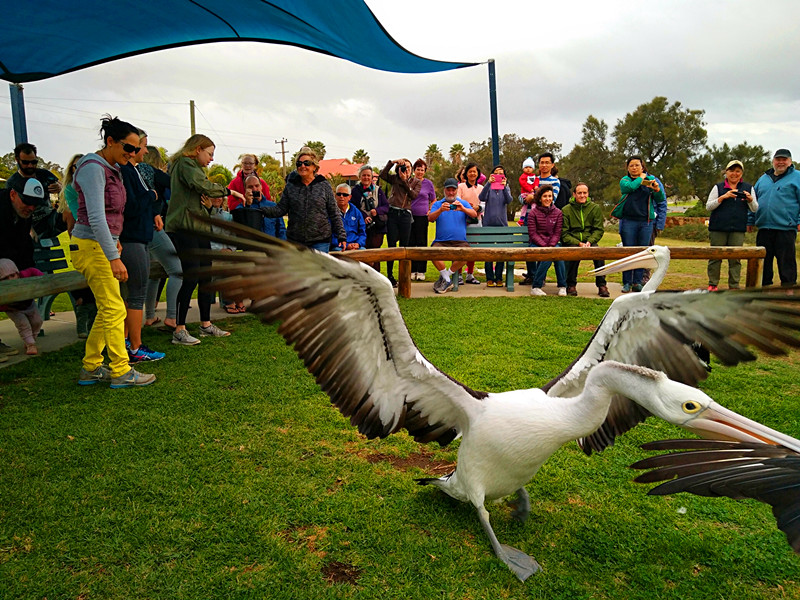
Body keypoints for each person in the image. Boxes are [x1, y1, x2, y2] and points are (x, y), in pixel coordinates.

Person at [71, 115, 155, 387]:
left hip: (102, 244)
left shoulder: (113, 167)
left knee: (109, 308)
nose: (132, 154)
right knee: (114, 307)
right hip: (90, 246)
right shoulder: (93, 167)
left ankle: (91, 366)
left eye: (135, 148)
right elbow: (95, 217)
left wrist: (115, 240)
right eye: (127, 148)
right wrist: (114, 257)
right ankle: (120, 370)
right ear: (110, 142)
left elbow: (112, 215)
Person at [165, 133, 246, 346]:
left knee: (205, 278)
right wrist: (230, 192)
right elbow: (203, 186)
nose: (211, 159)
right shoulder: (184, 164)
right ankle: (179, 330)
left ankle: (205, 324)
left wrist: (208, 207)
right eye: (209, 154)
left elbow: (199, 194)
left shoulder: (193, 167)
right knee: (191, 277)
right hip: (185, 228)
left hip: (197, 227)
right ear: (197, 149)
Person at [119, 131, 165, 363]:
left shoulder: (133, 170)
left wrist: (154, 210)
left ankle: (127, 341)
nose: (145, 151)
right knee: (136, 294)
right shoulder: (126, 170)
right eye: (142, 146)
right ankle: (135, 348)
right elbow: (132, 205)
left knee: (132, 295)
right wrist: (151, 195)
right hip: (132, 237)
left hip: (140, 235)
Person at [261, 146, 345, 253]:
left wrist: (341, 235)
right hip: (295, 241)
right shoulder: (291, 186)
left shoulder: (324, 185)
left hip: (320, 242)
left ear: (314, 166)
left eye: (307, 163)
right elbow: (281, 209)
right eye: (299, 164)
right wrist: (261, 209)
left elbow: (334, 213)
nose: (303, 166)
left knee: (316, 270)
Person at [139, 146, 181, 330]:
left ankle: (149, 316)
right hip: (153, 226)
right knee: (177, 270)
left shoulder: (133, 173)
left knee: (153, 273)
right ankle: (172, 316)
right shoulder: (153, 173)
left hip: (138, 228)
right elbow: (175, 184)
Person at [611, 155, 665, 293]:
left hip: (645, 221)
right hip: (629, 221)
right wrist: (641, 178)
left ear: (642, 167)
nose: (634, 168)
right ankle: (627, 282)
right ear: (628, 169)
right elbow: (630, 188)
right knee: (628, 252)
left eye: (637, 165)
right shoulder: (625, 180)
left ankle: (637, 282)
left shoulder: (650, 181)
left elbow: (660, 199)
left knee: (642, 252)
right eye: (631, 166)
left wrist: (656, 189)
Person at [751, 149, 800, 288]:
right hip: (764, 227)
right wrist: (750, 220)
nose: (781, 162)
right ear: (773, 161)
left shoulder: (797, 177)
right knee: (763, 260)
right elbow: (753, 201)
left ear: (790, 162)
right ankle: (765, 286)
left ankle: (789, 288)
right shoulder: (763, 179)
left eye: (784, 159)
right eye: (778, 159)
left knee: (786, 261)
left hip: (786, 227)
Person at [706, 160, 758, 291]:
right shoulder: (718, 187)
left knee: (735, 258)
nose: (734, 174)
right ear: (726, 172)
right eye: (731, 170)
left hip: (738, 229)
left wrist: (750, 200)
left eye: (738, 171)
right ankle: (713, 284)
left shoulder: (748, 188)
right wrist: (723, 197)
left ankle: (734, 286)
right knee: (715, 257)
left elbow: (755, 209)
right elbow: (708, 206)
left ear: (741, 173)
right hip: (718, 228)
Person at [5, 142, 66, 241]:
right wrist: (29, 229)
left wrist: (60, 188)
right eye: (25, 162)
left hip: (50, 218)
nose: (30, 166)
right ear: (17, 160)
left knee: (70, 212)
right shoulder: (12, 183)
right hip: (28, 222)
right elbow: (11, 212)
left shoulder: (44, 174)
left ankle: (78, 244)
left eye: (34, 162)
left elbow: (65, 189)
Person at [429, 178, 478, 294]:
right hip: (441, 241)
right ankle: (447, 279)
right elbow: (430, 218)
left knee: (467, 254)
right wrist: (440, 210)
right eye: (448, 190)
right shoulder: (438, 204)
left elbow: (474, 215)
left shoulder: (462, 203)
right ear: (444, 190)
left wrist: (463, 209)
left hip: (460, 241)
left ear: (456, 190)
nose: (451, 193)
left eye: (453, 190)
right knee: (431, 253)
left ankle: (446, 277)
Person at [560, 182, 609, 297]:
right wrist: (578, 243)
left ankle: (601, 284)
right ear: (574, 194)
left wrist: (589, 241)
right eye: (579, 193)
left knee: (599, 254)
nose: (582, 195)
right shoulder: (566, 210)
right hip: (574, 241)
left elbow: (598, 229)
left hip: (589, 241)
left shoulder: (594, 208)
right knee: (574, 253)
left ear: (588, 194)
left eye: (584, 193)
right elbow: (564, 233)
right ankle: (571, 284)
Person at [379, 158, 418, 286]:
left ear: (411, 169)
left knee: (404, 246)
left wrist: (404, 180)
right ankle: (390, 275)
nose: (405, 169)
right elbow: (382, 175)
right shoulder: (394, 178)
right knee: (391, 245)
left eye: (408, 167)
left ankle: (403, 276)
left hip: (406, 215)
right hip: (393, 213)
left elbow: (413, 195)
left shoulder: (416, 182)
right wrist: (392, 162)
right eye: (403, 167)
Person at [528, 184, 566, 296]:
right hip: (536, 244)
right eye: (545, 196)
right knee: (548, 255)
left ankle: (562, 286)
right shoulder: (533, 213)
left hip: (552, 243)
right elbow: (533, 234)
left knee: (558, 255)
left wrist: (551, 245)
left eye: (550, 196)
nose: (548, 199)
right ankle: (536, 286)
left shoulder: (558, 212)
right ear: (540, 198)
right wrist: (545, 245)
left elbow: (557, 232)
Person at [0, 258, 43, 355]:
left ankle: (31, 339)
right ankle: (31, 344)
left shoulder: (23, 275)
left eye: (12, 275)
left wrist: (42, 279)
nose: (10, 279)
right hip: (13, 309)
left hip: (29, 304)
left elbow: (33, 271)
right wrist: (6, 308)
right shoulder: (2, 288)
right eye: (5, 278)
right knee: (23, 325)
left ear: (17, 273)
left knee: (37, 321)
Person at [479, 164, 513, 287]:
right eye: (496, 173)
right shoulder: (488, 188)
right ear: (492, 175)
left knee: (501, 253)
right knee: (488, 253)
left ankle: (499, 278)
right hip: (488, 224)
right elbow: (481, 197)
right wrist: (488, 183)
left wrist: (504, 187)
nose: (499, 175)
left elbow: (509, 200)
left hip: (502, 225)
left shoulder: (506, 188)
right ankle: (489, 278)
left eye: (501, 173)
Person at [350, 165, 389, 271]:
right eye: (364, 175)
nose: (366, 178)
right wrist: (364, 216)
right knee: (363, 253)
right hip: (362, 226)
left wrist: (377, 211)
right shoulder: (355, 191)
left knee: (375, 254)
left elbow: (386, 206)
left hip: (377, 226)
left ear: (372, 177)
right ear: (360, 177)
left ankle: (377, 277)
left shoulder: (378, 190)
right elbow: (353, 207)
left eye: (368, 175)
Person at [408, 159, 437, 281]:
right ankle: (412, 270)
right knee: (411, 243)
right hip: (409, 217)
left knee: (421, 243)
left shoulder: (428, 184)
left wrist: (430, 210)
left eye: (422, 170)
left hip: (422, 217)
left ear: (425, 171)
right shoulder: (408, 182)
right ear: (414, 171)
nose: (420, 172)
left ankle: (421, 270)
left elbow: (433, 199)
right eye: (418, 169)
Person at [234, 175, 286, 239]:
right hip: (252, 247)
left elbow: (282, 230)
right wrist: (248, 205)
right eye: (250, 187)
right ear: (245, 189)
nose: (254, 189)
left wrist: (281, 247)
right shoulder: (240, 208)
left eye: (257, 186)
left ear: (261, 186)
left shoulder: (273, 206)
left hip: (272, 247)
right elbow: (240, 231)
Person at [457, 162, 483, 284]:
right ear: (466, 173)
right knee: (462, 247)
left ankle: (470, 274)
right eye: (470, 171)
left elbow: (484, 204)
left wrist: (478, 208)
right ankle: (459, 274)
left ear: (478, 174)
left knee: (472, 248)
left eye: (475, 171)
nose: (472, 173)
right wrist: (468, 207)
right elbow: (457, 201)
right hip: (462, 221)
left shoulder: (481, 188)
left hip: (477, 220)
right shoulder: (461, 186)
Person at [330, 184, 366, 251]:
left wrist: (358, 244)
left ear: (349, 197)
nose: (341, 196)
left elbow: (362, 232)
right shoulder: (330, 212)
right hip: (338, 247)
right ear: (335, 196)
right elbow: (329, 235)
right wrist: (346, 245)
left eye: (345, 195)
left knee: (365, 254)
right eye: (339, 194)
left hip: (356, 246)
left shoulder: (356, 212)